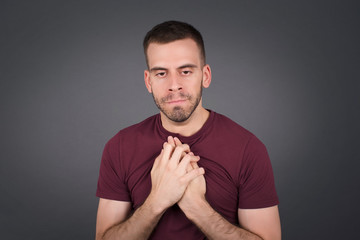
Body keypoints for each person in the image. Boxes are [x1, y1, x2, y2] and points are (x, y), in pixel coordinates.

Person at [95, 20, 281, 240]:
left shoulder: (248, 149)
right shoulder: (119, 147)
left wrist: (196, 207)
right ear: (148, 81)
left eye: (185, 71)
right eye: (161, 73)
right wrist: (157, 201)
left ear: (206, 75)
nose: (174, 85)